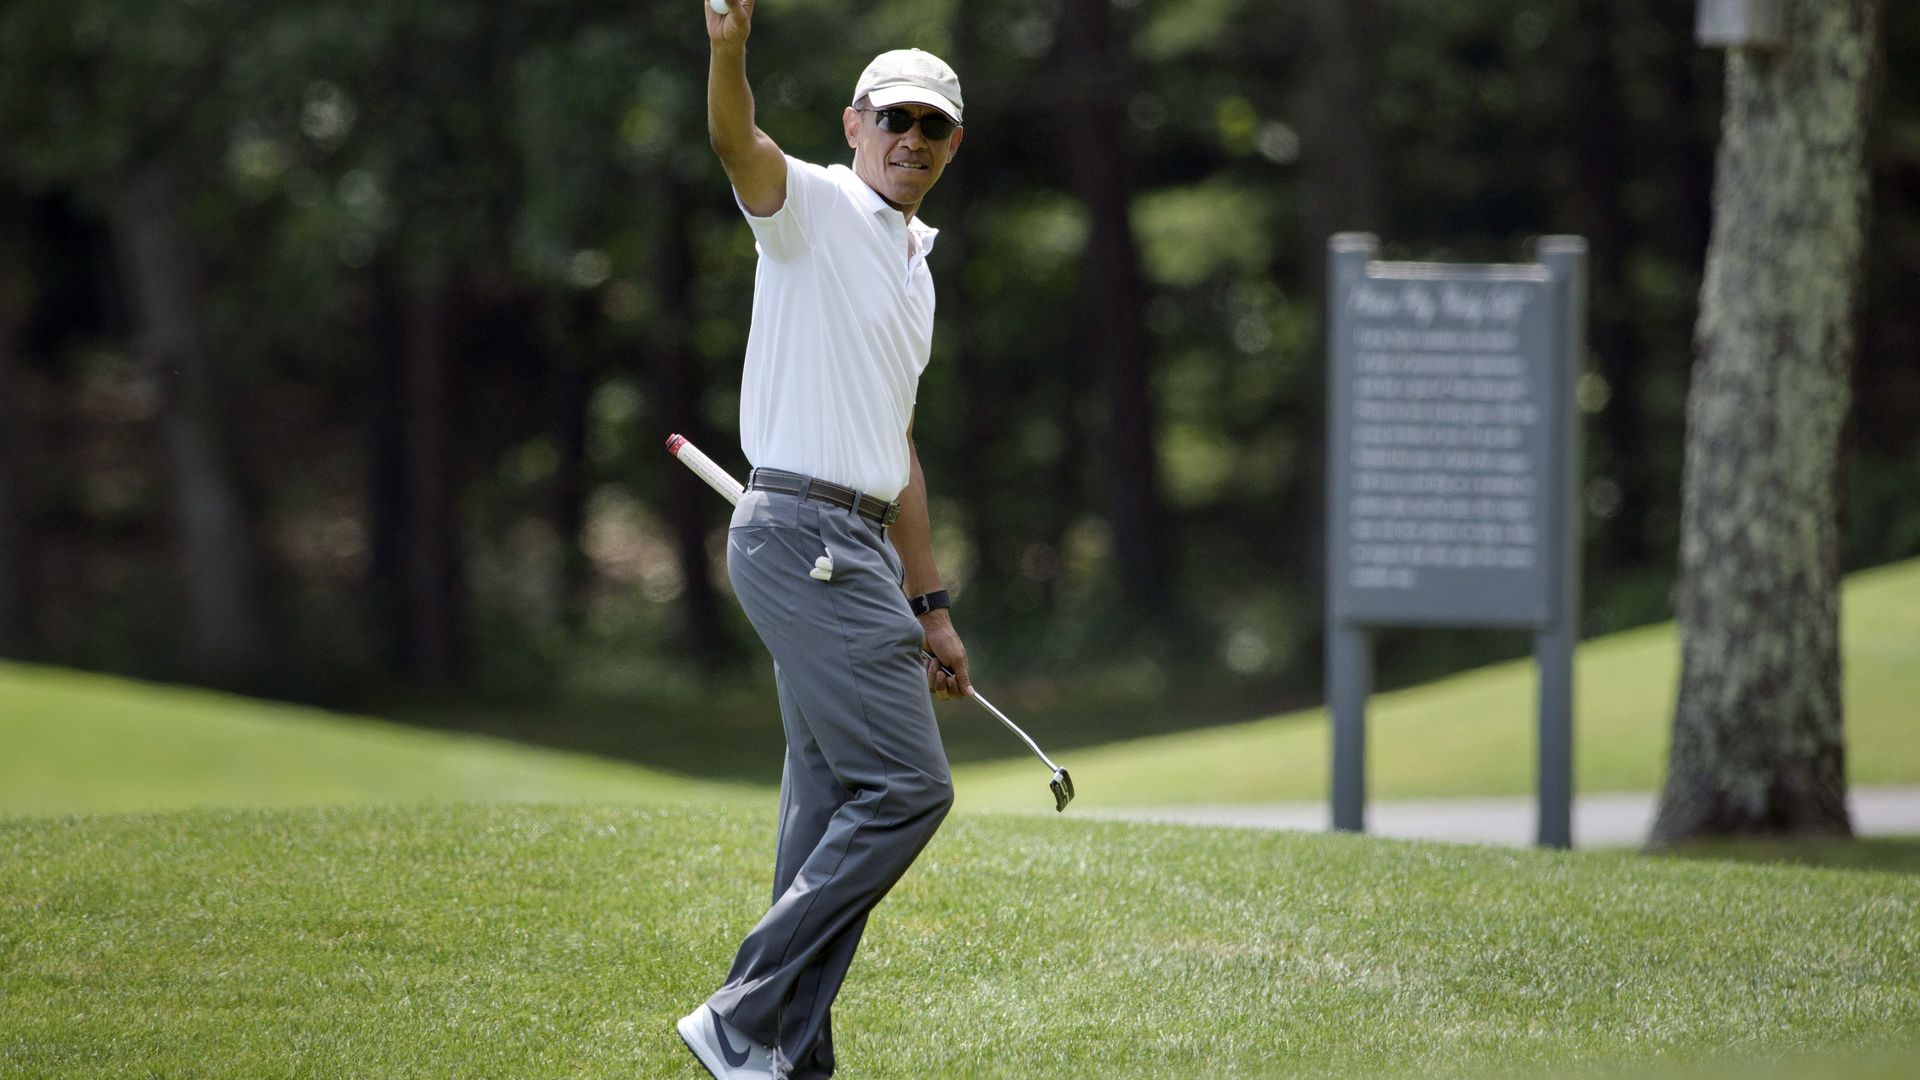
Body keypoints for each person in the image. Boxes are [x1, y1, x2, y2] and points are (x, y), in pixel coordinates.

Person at [676, 2, 973, 1077]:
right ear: (854, 124)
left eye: (931, 127)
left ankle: (789, 1059)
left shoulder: (915, 266)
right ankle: (742, 1011)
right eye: (893, 118)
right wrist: (729, 50)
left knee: (829, 808)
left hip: (855, 547)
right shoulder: (812, 204)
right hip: (802, 535)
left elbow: (897, 450)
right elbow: (732, 143)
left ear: (950, 145)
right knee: (908, 789)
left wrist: (930, 604)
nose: (911, 141)